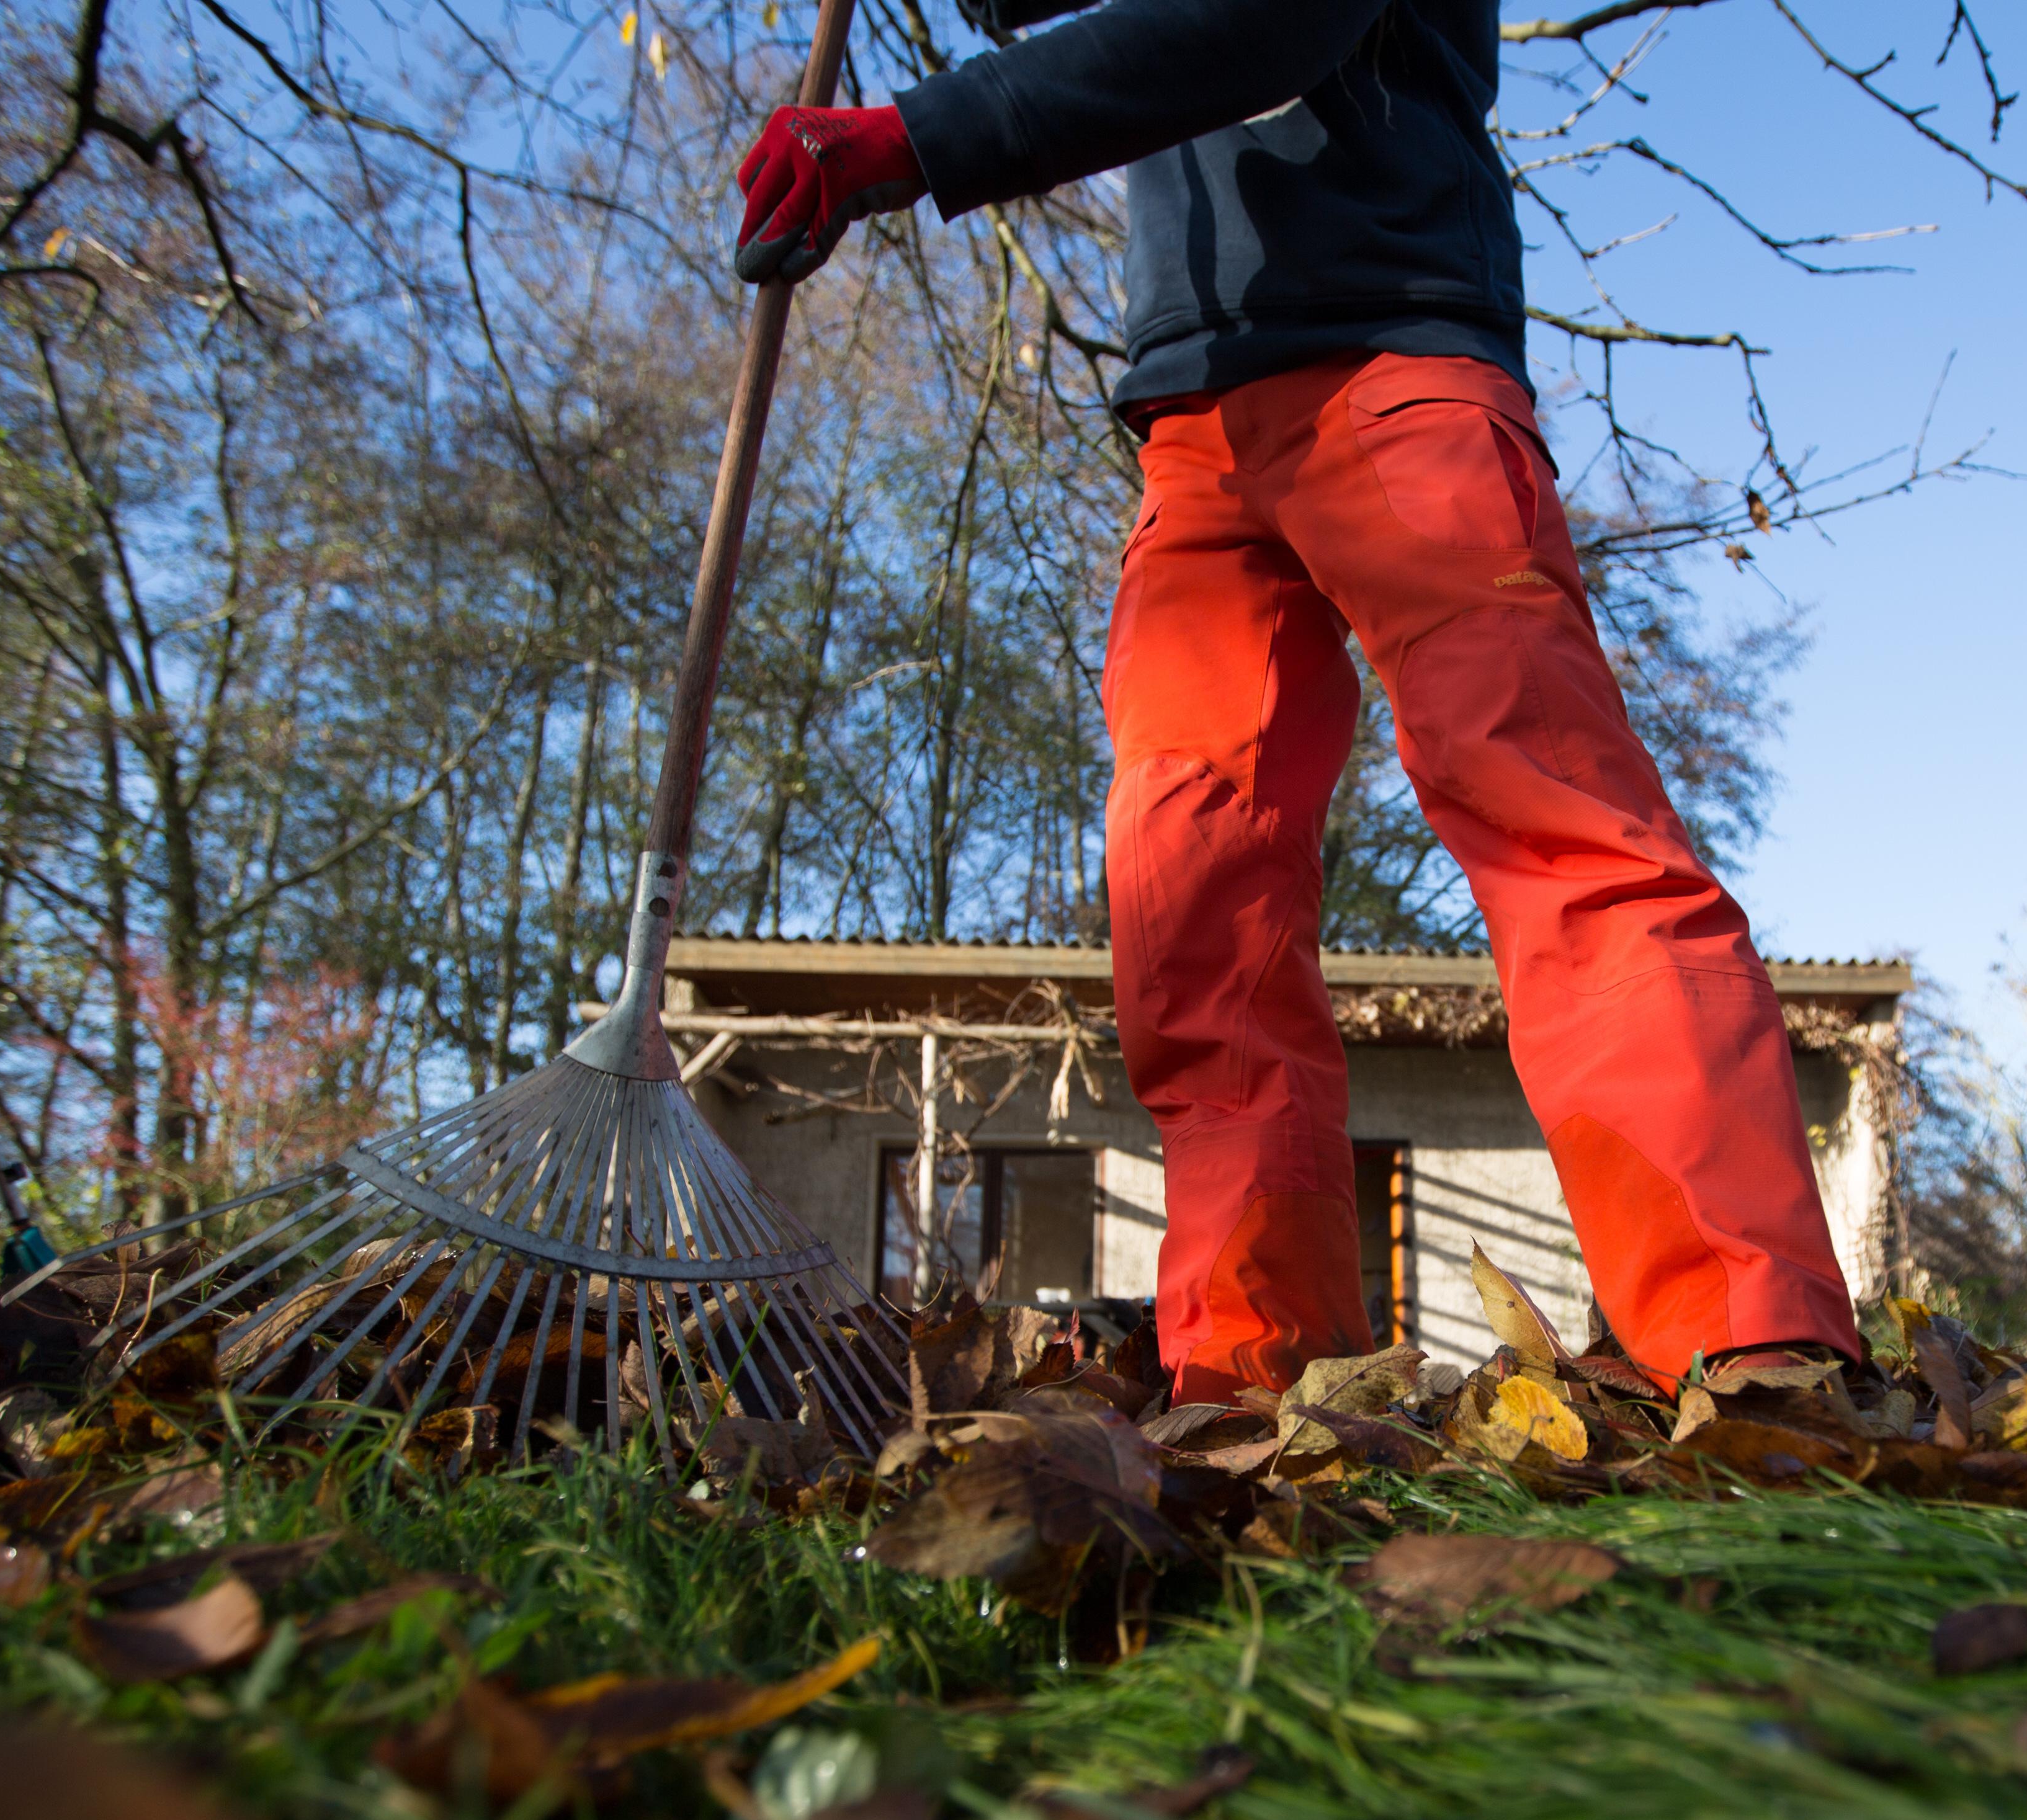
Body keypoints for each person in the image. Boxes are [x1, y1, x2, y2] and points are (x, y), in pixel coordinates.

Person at [733, 0, 1863, 1403]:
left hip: (1398, 373)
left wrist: (911, 139)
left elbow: (1257, 25)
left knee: (1555, 827)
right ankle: (1256, 1382)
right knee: (1191, 909)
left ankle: (1750, 1345)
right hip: (1193, 430)